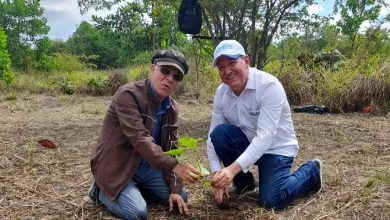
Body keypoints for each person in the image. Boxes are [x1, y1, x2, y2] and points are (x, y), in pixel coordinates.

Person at [206, 40, 323, 210]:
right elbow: (211, 138)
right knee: (220, 133)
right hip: (248, 144)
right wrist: (217, 174)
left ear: (246, 61)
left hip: (276, 148)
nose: (227, 71)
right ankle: (245, 184)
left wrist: (230, 171)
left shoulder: (268, 86)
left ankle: (312, 171)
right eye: (221, 67)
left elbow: (265, 137)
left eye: (232, 63)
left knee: (271, 201)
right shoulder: (222, 92)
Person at [88, 48, 201, 219]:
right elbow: (140, 139)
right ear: (152, 69)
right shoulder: (128, 95)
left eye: (177, 76)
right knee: (137, 213)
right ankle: (100, 191)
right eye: (165, 70)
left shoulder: (172, 108)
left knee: (181, 197)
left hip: (148, 167)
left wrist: (176, 188)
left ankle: (135, 191)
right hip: (120, 164)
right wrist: (174, 166)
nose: (170, 78)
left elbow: (172, 147)